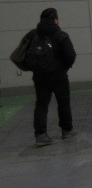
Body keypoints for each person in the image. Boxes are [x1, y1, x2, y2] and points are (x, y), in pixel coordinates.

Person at [33, 8, 77, 146]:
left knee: (41, 104)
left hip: (40, 76)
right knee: (63, 102)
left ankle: (41, 135)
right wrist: (64, 67)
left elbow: (27, 54)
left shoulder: (34, 35)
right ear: (55, 20)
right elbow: (70, 55)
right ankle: (67, 130)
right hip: (59, 76)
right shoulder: (60, 35)